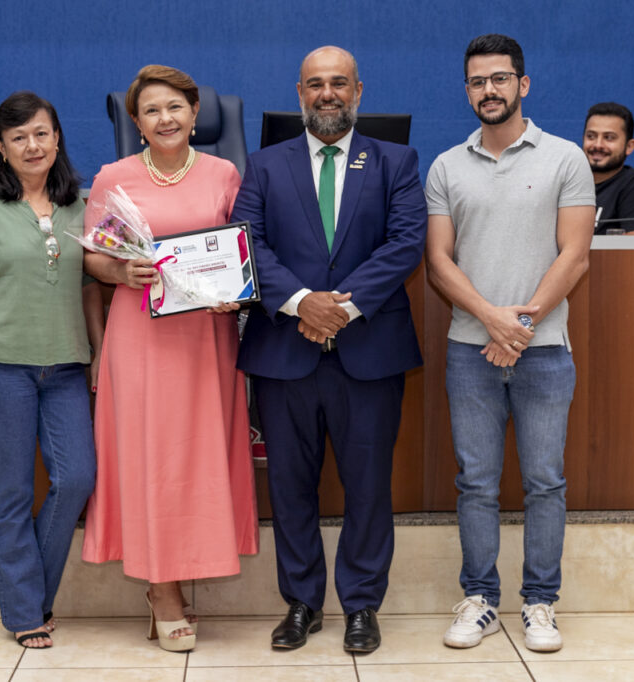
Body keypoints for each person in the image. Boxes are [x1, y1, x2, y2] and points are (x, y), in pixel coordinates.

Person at [233, 46, 426, 655]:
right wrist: (299, 303)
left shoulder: (396, 161)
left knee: (368, 484)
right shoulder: (262, 166)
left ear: (359, 91)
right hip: (284, 352)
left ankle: (363, 605)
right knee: (290, 485)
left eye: (338, 83)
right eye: (315, 84)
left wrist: (337, 307)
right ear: (299, 93)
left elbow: (405, 243)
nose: (327, 94)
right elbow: (249, 244)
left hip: (368, 351)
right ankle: (302, 603)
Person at [424, 34, 595, 653]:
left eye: (500, 79)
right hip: (470, 350)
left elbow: (575, 256)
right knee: (476, 482)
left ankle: (541, 603)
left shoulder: (565, 158)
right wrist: (491, 321)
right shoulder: (446, 166)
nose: (488, 90)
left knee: (545, 481)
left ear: (523, 85)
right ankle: (480, 599)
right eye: (477, 81)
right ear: (466, 90)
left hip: (545, 351)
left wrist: (518, 328)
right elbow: (439, 263)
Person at [79, 64, 259, 653]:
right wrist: (119, 270)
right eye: (152, 111)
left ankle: (186, 566)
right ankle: (161, 590)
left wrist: (236, 290)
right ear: (136, 122)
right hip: (141, 341)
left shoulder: (224, 172)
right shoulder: (114, 177)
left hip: (208, 339)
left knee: (200, 457)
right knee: (151, 459)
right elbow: (95, 260)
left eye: (176, 108)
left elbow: (247, 247)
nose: (165, 119)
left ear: (196, 114)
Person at [0, 91, 98, 649]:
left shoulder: (82, 203)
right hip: (1, 367)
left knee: (77, 478)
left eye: (42, 133)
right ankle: (25, 612)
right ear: (1, 148)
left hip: (65, 369)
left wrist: (98, 354)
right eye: (19, 137)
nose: (33, 146)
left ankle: (32, 594)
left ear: (58, 138)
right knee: (11, 489)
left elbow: (88, 291)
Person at [582, 102, 634, 235]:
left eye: (609, 138)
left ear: (629, 146)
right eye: (591, 136)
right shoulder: (569, 181)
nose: (598, 145)